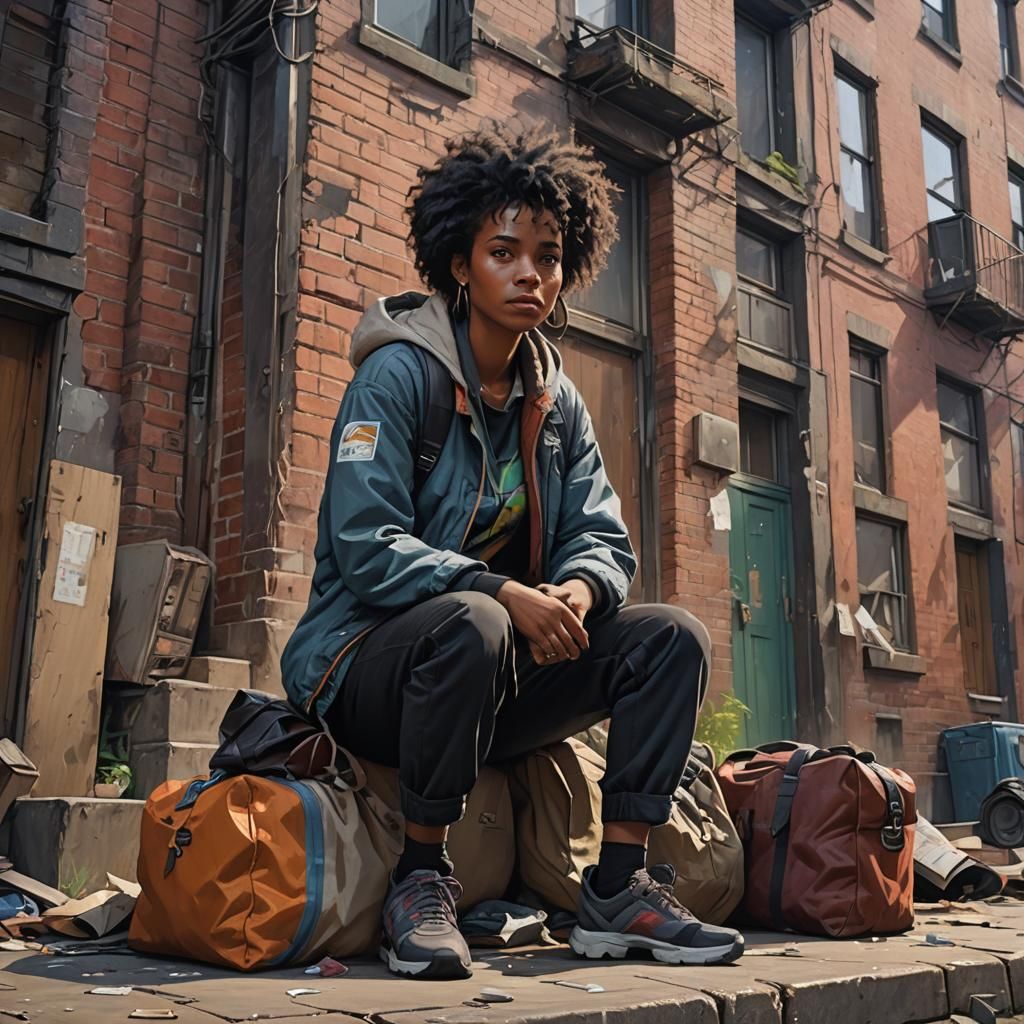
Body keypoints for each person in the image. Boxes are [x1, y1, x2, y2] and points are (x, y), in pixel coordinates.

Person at [280, 124, 744, 979]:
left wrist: (578, 589)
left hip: (493, 673)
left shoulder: (555, 397)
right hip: (362, 667)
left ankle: (619, 889)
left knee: (671, 637)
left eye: (548, 254)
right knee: (473, 620)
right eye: (505, 251)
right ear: (461, 263)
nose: (531, 272)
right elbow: (364, 543)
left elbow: (602, 533)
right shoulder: (397, 378)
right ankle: (421, 881)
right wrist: (500, 588)